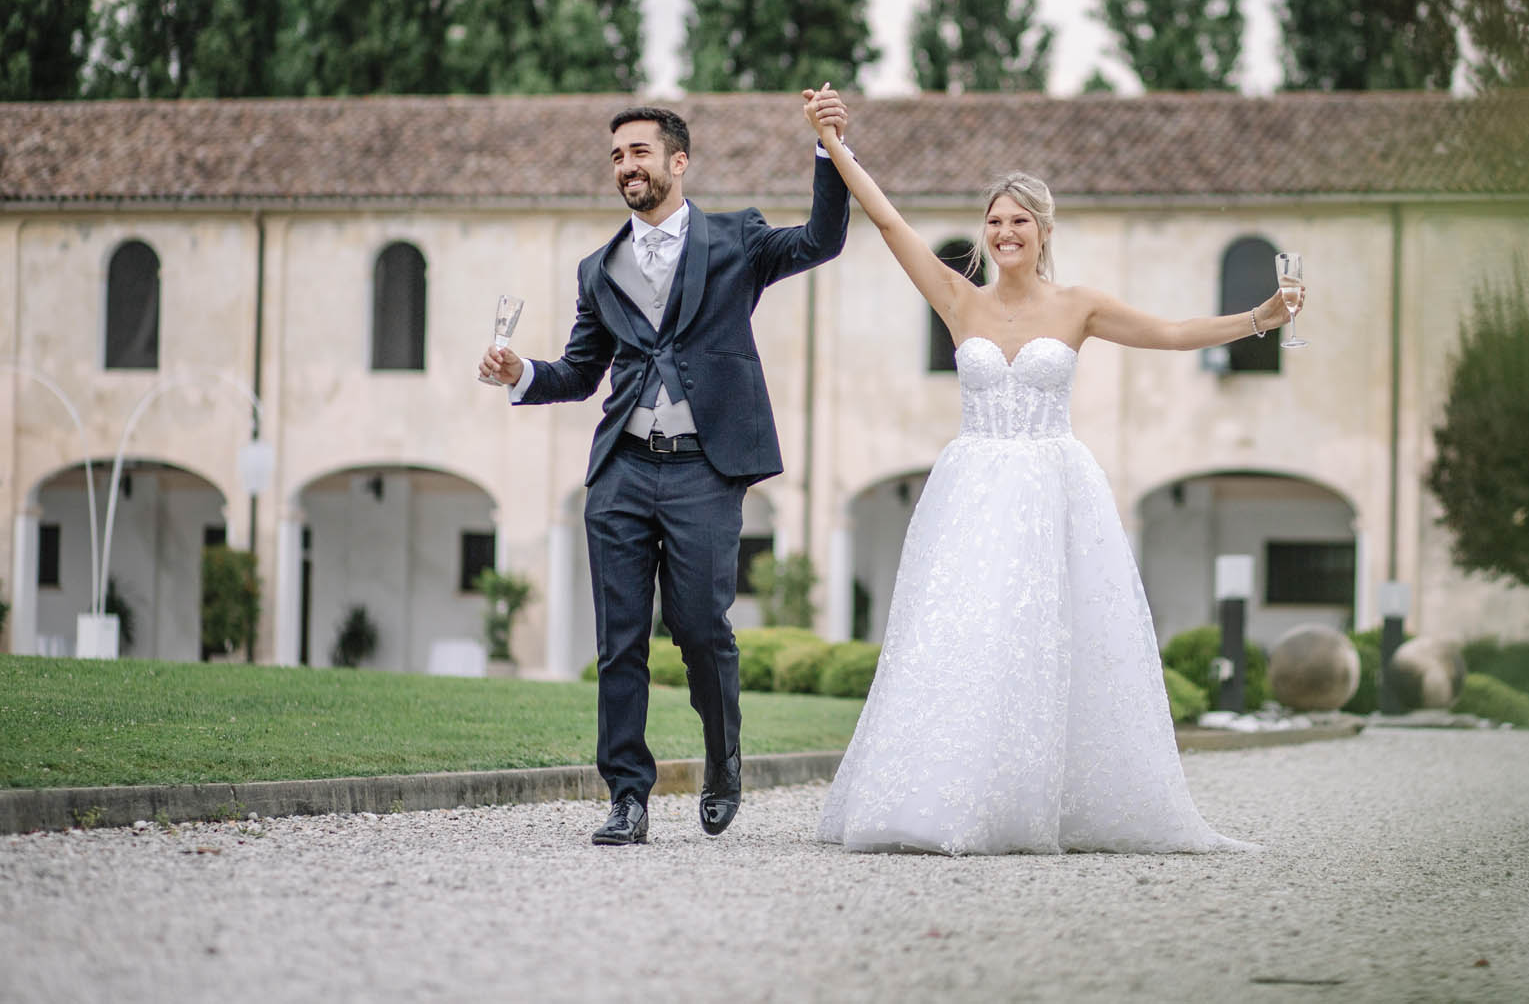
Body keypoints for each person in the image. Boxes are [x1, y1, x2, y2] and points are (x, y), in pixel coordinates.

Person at [802, 85, 1299, 855]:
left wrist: (1259, 318)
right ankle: (942, 800)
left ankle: (1035, 800)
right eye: (995, 221)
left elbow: (1170, 332)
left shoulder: (1078, 307)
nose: (1004, 232)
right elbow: (889, 219)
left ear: (1042, 231)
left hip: (1049, 483)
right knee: (959, 635)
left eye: (1018, 222)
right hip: (970, 486)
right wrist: (835, 144)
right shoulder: (956, 299)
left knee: (1040, 639)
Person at [479, 103, 850, 845]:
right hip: (621, 469)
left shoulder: (736, 239)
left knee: (700, 626)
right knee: (619, 639)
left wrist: (827, 148)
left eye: (639, 151)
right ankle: (627, 794)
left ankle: (722, 758)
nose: (626, 166)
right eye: (617, 155)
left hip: (703, 470)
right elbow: (581, 372)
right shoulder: (599, 269)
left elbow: (820, 240)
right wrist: (524, 372)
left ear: (678, 162)